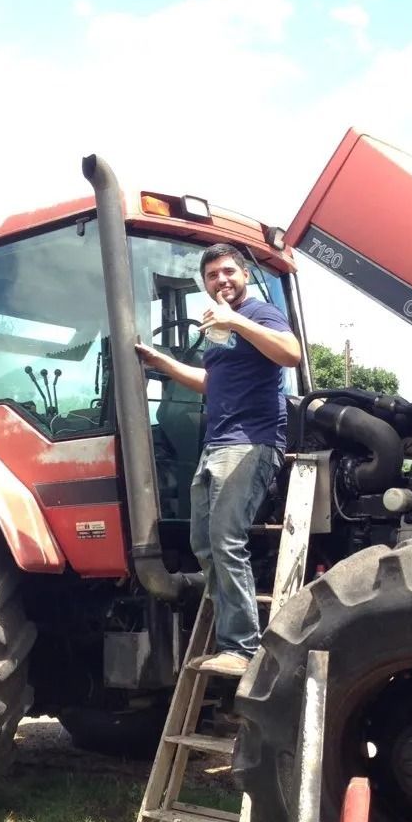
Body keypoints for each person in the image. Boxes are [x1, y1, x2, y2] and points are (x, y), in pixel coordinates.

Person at [136, 243, 301, 676]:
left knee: (227, 541)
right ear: (205, 284)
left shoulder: (258, 313)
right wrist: (163, 363)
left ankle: (243, 648)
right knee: (203, 544)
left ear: (243, 275)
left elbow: (291, 352)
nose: (221, 280)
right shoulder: (220, 329)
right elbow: (212, 381)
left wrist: (237, 320)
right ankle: (231, 629)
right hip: (216, 443)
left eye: (228, 271)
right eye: (212, 276)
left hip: (251, 442)